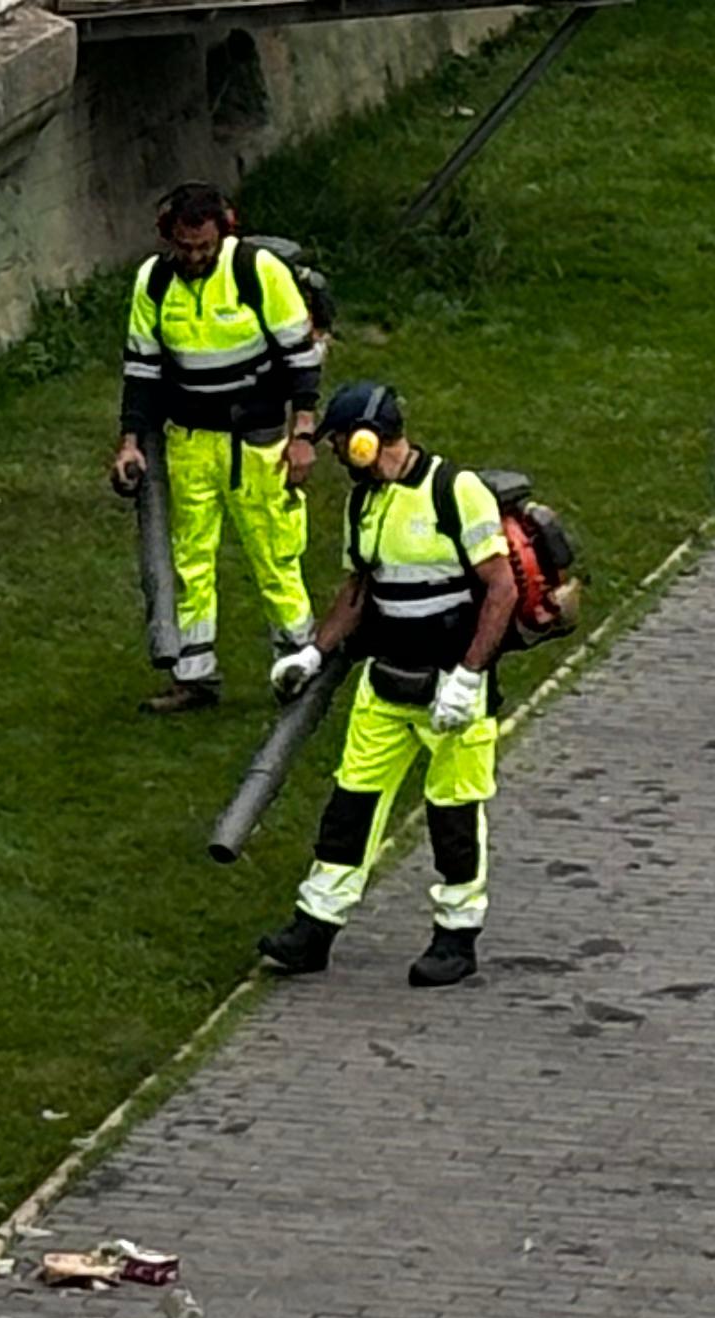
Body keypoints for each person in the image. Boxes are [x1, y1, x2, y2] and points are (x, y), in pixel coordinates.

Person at [254, 381, 516, 990]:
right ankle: (314, 926)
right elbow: (358, 591)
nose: (340, 454)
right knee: (350, 807)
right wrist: (312, 655)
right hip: (386, 684)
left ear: (370, 439)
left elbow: (500, 590)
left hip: (453, 689)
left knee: (453, 816)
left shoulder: (456, 493)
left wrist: (468, 677)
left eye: (343, 443)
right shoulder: (363, 505)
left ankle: (456, 936)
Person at [111, 183, 325, 715]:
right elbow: (142, 370)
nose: (195, 258)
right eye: (185, 248)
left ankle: (299, 663)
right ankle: (193, 676)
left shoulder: (259, 273)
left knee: (274, 553)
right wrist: (130, 441)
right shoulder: (154, 283)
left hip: (256, 440)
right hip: (188, 441)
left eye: (204, 247)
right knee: (191, 560)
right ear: (169, 238)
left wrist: (301, 434)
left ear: (222, 234)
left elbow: (301, 357)